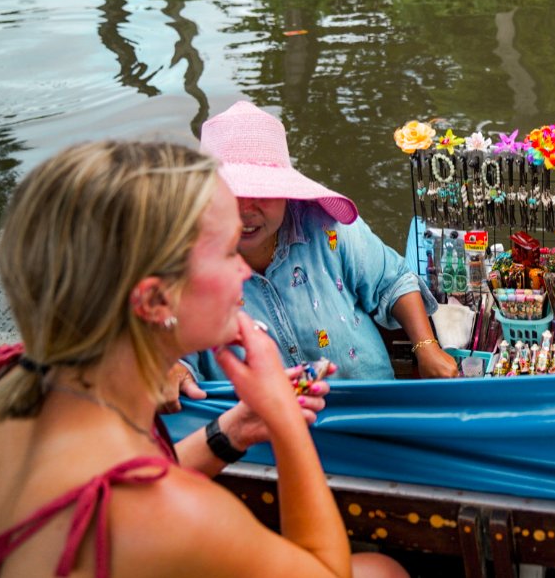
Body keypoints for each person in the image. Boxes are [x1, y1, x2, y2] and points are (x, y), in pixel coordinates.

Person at [0, 140, 403, 577]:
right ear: (154, 301)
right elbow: (327, 573)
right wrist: (284, 423)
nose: (245, 272)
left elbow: (114, 479)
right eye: (228, 253)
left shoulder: (14, 377)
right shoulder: (179, 516)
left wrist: (234, 429)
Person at [178, 101, 457, 390]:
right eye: (231, 192)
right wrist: (176, 370)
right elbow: (169, 346)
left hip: (366, 401)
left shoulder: (326, 226)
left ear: (285, 192)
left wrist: (426, 347)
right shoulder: (185, 264)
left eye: (262, 192)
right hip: (260, 424)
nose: (246, 209)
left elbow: (393, 281)